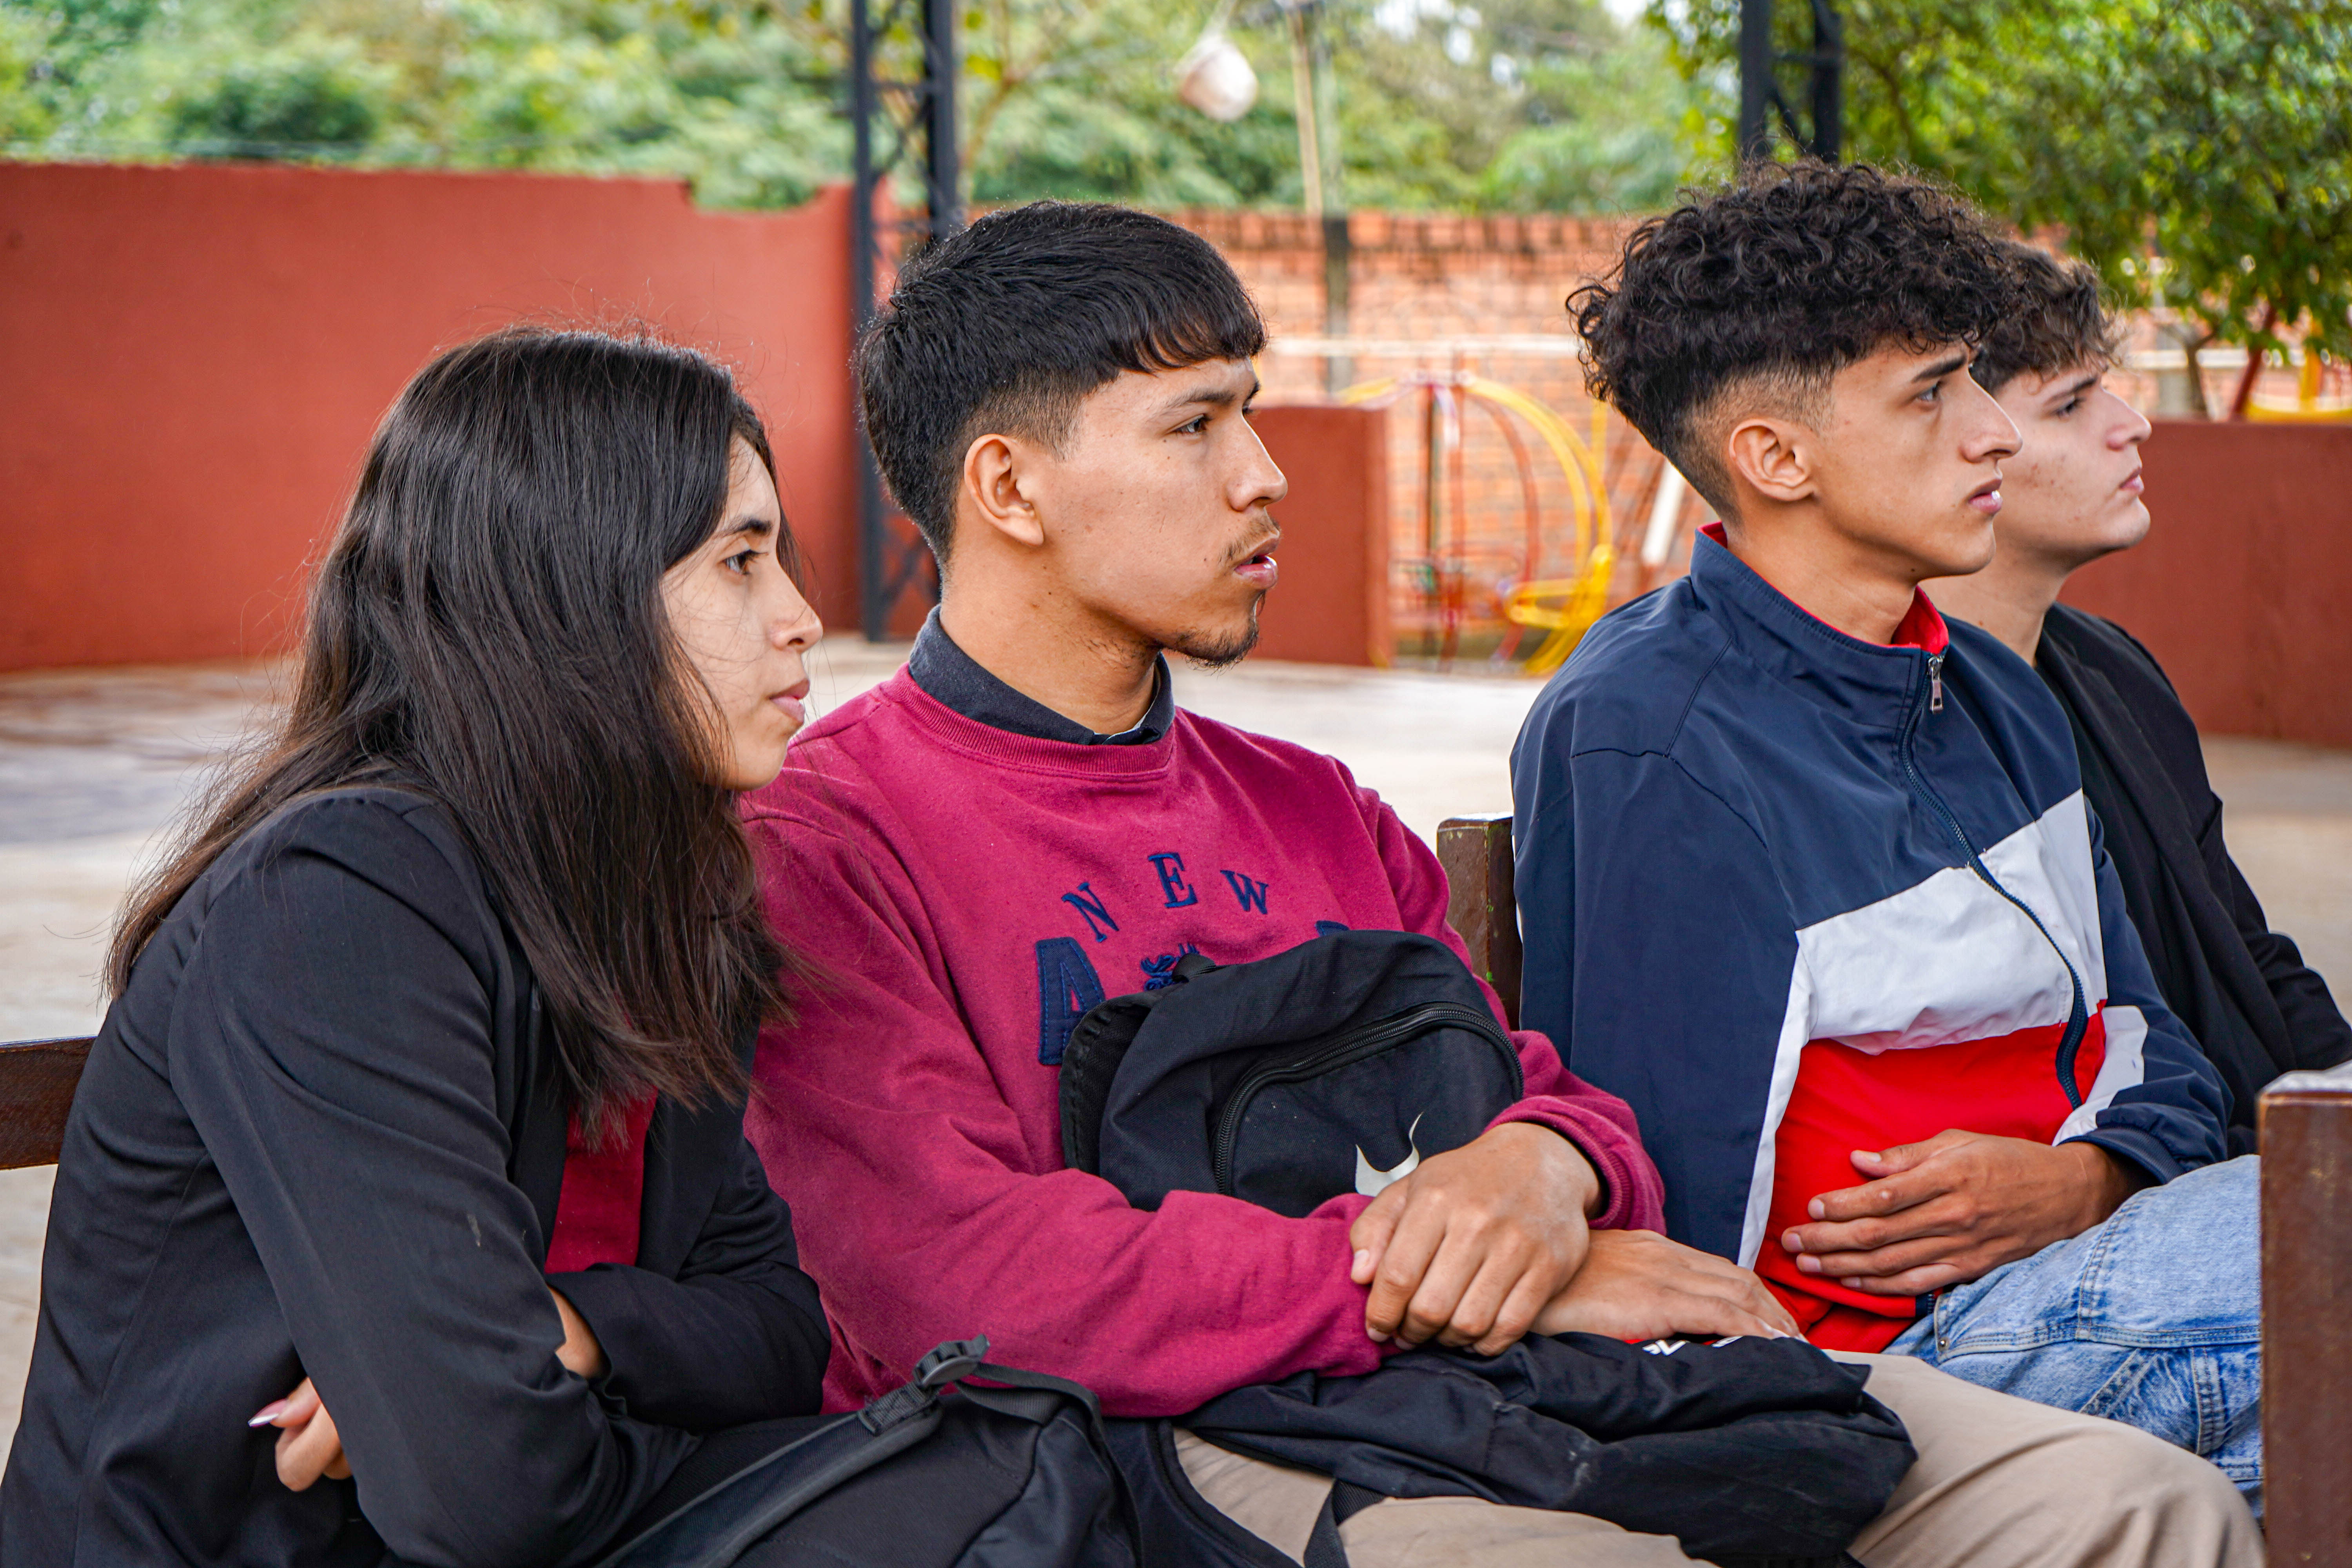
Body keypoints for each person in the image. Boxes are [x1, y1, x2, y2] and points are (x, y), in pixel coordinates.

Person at [742, 198, 2260, 1565]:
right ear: (1009, 486)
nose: (1265, 477)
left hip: (1513, 1383)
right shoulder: (836, 836)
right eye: (1197, 427)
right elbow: (949, 1277)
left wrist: (1544, 1174)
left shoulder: (1314, 805)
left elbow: (1567, 1101)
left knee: (2147, 1505)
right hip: (1157, 1441)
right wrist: (1464, 1271)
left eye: (1252, 416)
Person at [0, 329, 833, 1566]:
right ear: (563, 591)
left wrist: (573, 1331)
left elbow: (779, 1333)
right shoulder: (341, 901)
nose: (802, 620)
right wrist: (556, 1403)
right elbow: (490, 1493)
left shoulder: (664, 896)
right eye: (741, 561)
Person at [1512, 161, 2264, 1504]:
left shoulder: (1996, 697)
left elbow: (2167, 1054)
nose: (1991, 434)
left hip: (2095, 1259)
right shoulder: (1656, 743)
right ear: (1775, 456)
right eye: (1933, 393)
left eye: (1978, 379)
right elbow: (1670, 1221)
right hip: (1877, 1363)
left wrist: (2084, 1179)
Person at [1922, 243, 2352, 1152]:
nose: (2131, 425)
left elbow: (2250, 954)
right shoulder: (1907, 724)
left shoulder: (2115, 670)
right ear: (1967, 440)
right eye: (2072, 404)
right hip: (2142, 1193)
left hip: (2246, 1156)